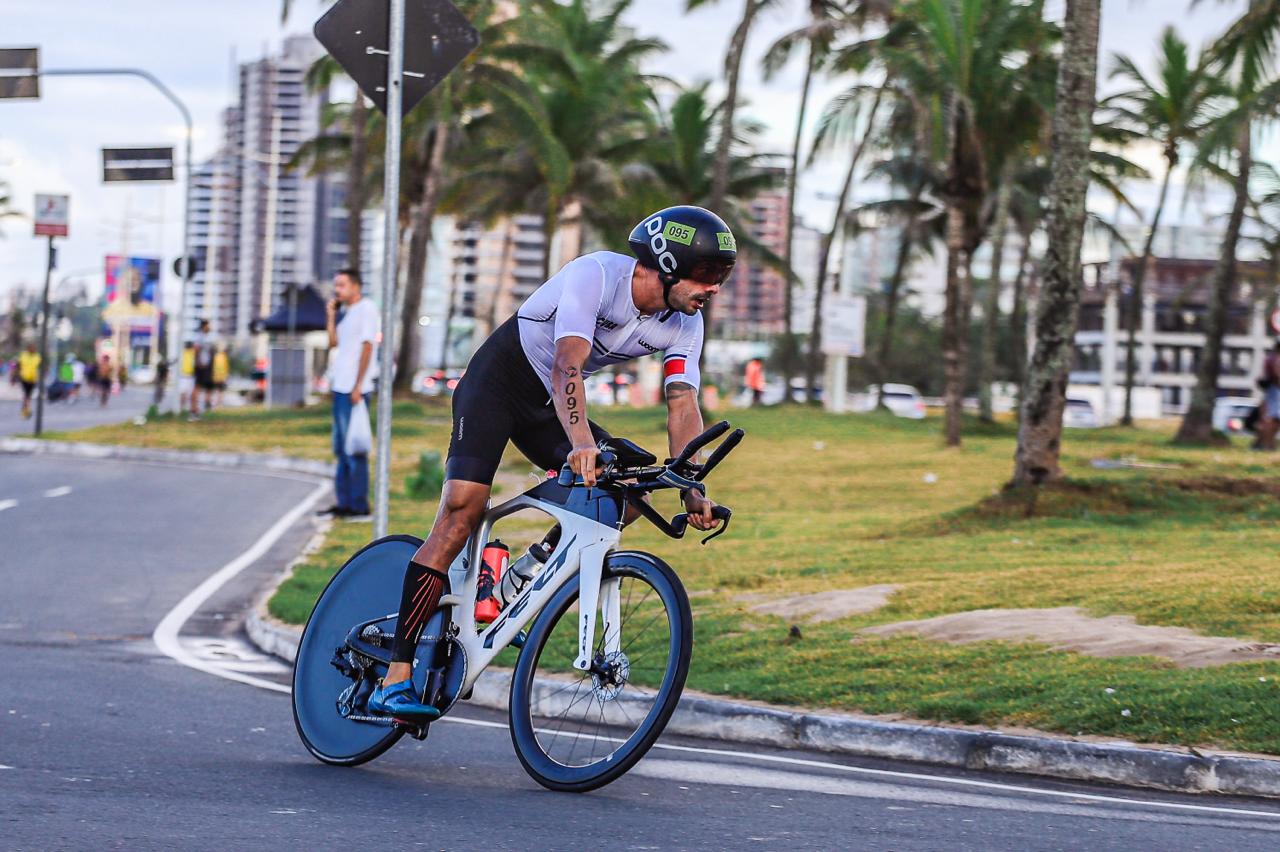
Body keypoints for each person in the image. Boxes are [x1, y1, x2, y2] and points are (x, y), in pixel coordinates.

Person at [367, 205, 735, 720]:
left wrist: (692, 487)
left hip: (550, 407)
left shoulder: (685, 324)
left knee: (630, 494)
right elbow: (568, 364)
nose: (714, 288)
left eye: (722, 276)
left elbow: (682, 403)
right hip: (499, 384)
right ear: (668, 265)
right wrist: (582, 443)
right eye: (707, 273)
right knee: (462, 510)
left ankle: (522, 576)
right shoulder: (596, 274)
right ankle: (395, 677)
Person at [317, 268, 379, 519]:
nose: (337, 290)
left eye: (342, 285)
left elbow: (367, 347)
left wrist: (358, 385)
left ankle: (358, 505)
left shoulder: (367, 309)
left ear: (356, 286)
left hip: (354, 389)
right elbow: (333, 343)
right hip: (340, 386)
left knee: (355, 448)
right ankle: (344, 502)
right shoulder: (347, 313)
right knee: (341, 448)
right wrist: (331, 315)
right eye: (336, 285)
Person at [1258, 341, 1280, 451]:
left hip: (1272, 390)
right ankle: (1268, 445)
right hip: (1276, 390)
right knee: (1272, 419)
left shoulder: (1270, 358)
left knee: (1272, 419)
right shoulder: (1277, 359)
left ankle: (1269, 444)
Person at [191, 319, 216, 418]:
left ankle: (196, 410)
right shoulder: (200, 337)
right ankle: (194, 410)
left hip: (203, 366)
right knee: (197, 387)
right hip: (200, 367)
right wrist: (199, 363)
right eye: (208, 325)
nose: (209, 328)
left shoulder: (204, 337)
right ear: (203, 326)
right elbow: (196, 350)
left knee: (200, 388)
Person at [18, 343, 40, 419]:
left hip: (33, 379)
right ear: (28, 349)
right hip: (24, 378)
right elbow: (18, 365)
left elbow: (40, 366)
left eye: (34, 348)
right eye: (31, 348)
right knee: (26, 395)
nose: (33, 349)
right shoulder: (23, 355)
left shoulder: (37, 356)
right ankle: (25, 411)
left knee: (28, 396)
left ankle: (25, 409)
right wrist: (16, 375)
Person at [179, 342, 196, 412]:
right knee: (189, 394)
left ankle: (182, 407)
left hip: (183, 376)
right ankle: (184, 408)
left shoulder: (182, 353)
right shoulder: (193, 353)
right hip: (190, 376)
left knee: (183, 393)